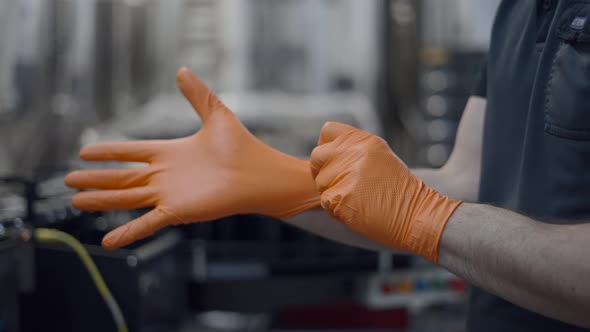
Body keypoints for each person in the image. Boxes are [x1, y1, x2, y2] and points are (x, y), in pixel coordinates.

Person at [65, 1, 590, 331]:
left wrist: (424, 217)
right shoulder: (517, 9)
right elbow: (467, 186)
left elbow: (437, 212)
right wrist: (277, 184)